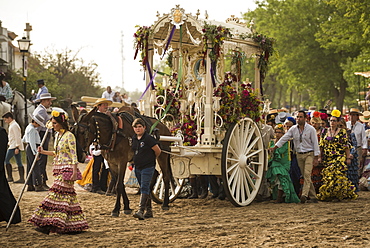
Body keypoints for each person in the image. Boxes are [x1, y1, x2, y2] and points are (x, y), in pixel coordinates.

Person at [29, 110, 88, 234]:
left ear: (61, 123)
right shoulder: (57, 136)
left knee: (55, 195)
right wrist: (43, 151)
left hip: (67, 169)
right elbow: (57, 153)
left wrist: (73, 170)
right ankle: (73, 226)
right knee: (67, 198)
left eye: (55, 123)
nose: (53, 125)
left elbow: (73, 155)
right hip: (58, 168)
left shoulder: (69, 135)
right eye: (52, 123)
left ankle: (47, 225)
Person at [271, 110, 320, 203]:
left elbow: (315, 143)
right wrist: (275, 146)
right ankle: (313, 197)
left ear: (305, 118)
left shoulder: (311, 129)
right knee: (306, 176)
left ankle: (304, 195)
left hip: (309, 154)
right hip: (299, 155)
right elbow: (284, 138)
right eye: (297, 117)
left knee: (306, 174)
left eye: (301, 117)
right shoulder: (293, 129)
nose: (299, 119)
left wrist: (316, 157)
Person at [317, 110, 358, 201]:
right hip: (328, 157)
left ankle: (339, 195)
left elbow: (346, 145)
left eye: (334, 121)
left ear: (338, 122)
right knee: (328, 175)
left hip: (339, 157)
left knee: (338, 175)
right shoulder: (324, 131)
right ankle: (329, 194)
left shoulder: (342, 132)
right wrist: (319, 156)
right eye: (331, 120)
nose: (332, 122)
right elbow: (321, 145)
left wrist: (348, 157)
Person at [131, 118, 161, 220]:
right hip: (138, 167)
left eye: (140, 127)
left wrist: (151, 159)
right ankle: (149, 210)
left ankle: (141, 210)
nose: (138, 129)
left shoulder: (148, 138)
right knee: (145, 188)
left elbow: (157, 150)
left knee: (144, 187)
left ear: (144, 127)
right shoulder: (134, 139)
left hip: (147, 167)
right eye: (136, 127)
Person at [267, 124, 300, 203]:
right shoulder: (271, 142)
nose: (277, 134)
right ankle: (277, 197)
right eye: (276, 132)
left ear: (283, 134)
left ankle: (279, 198)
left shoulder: (285, 142)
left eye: (280, 132)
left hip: (283, 163)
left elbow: (280, 151)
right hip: (274, 162)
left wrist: (272, 150)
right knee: (276, 180)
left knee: (282, 179)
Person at [33, 93, 56, 189]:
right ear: (43, 101)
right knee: (42, 159)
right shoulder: (41, 111)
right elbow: (37, 126)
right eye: (48, 101)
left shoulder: (41, 110)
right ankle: (41, 181)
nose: (50, 103)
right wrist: (37, 140)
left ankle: (42, 180)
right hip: (42, 135)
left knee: (43, 159)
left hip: (43, 134)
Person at [90, 98, 112, 194]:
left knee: (105, 166)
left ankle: (103, 186)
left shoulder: (108, 116)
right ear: (99, 106)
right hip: (97, 144)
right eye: (104, 105)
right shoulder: (94, 117)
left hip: (106, 144)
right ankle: (95, 186)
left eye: (106, 105)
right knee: (97, 166)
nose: (106, 107)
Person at [0, 126, 21, 224]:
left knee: (3, 193)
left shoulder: (1, 132)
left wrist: (17, 146)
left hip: (12, 148)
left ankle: (13, 215)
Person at [22, 113, 46, 192]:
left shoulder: (29, 127)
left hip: (29, 147)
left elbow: (25, 139)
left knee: (30, 166)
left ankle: (30, 185)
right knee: (35, 166)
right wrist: (35, 152)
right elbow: (32, 142)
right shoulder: (32, 129)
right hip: (33, 147)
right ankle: (38, 184)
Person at [2, 112, 25, 183]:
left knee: (6, 160)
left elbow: (17, 136)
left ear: (9, 118)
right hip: (13, 145)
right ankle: (21, 178)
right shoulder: (12, 125)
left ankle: (10, 177)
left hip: (13, 146)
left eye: (6, 120)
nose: (5, 121)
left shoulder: (14, 125)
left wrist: (17, 147)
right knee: (19, 162)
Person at [346, 108, 367, 176]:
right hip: (347, 148)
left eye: (354, 115)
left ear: (357, 116)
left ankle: (356, 177)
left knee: (357, 164)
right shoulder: (346, 125)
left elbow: (363, 138)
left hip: (358, 147)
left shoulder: (361, 126)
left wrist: (364, 148)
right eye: (350, 115)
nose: (351, 117)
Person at [284, 117, 302, 196]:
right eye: (286, 126)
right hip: (285, 158)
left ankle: (296, 191)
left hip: (294, 157)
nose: (287, 128)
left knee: (295, 174)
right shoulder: (283, 135)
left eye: (289, 127)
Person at [310, 112, 324, 193]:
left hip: (320, 153)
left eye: (316, 123)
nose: (314, 125)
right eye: (312, 123)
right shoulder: (309, 131)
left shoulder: (322, 132)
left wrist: (319, 156)